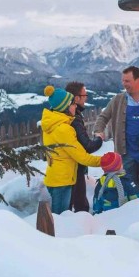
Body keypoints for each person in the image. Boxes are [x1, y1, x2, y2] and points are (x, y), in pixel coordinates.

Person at [93, 66, 139, 197]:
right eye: (123, 81)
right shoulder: (118, 100)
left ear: (138, 80)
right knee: (126, 189)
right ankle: (127, 216)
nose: (124, 84)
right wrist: (98, 131)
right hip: (125, 154)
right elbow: (103, 117)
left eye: (127, 81)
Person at [41, 85, 102, 214]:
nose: (76, 107)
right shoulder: (64, 129)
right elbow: (81, 156)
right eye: (73, 104)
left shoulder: (52, 124)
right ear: (66, 107)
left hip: (55, 177)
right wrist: (103, 160)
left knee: (59, 216)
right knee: (60, 219)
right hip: (62, 181)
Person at [65, 81, 103, 213]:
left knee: (72, 201)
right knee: (79, 203)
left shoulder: (70, 115)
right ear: (77, 98)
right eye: (84, 94)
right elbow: (87, 146)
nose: (86, 97)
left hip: (70, 166)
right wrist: (99, 139)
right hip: (74, 166)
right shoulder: (74, 118)